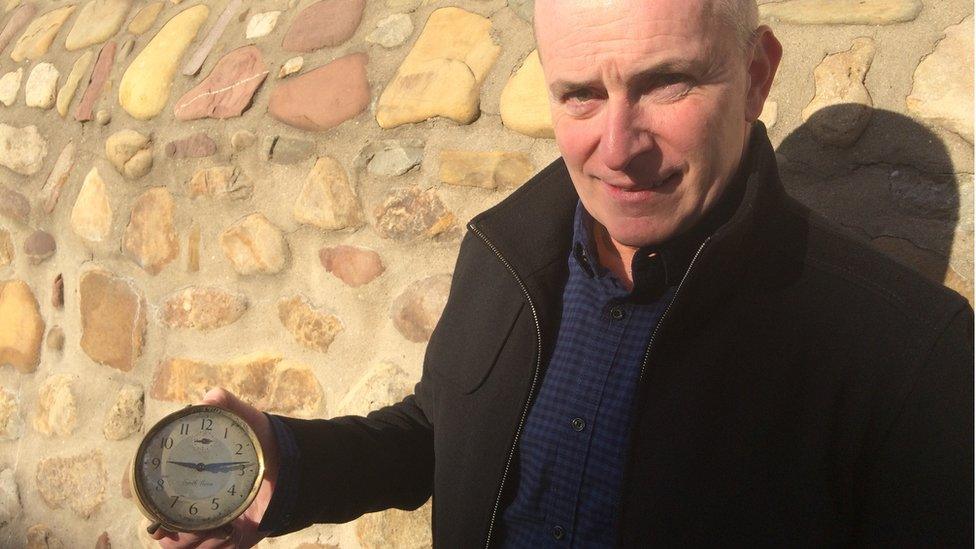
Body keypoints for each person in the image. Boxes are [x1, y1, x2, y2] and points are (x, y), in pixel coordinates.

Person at [151, 0, 974, 546]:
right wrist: (283, 462)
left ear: (756, 74)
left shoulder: (913, 360)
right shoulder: (507, 248)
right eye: (580, 95)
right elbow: (438, 432)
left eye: (665, 83)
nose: (616, 148)